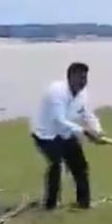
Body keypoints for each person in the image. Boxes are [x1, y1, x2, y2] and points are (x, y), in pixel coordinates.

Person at [30, 62, 105, 210]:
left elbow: (87, 114)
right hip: (45, 134)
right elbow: (59, 120)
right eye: (80, 78)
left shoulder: (83, 94)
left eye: (85, 78)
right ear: (70, 77)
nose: (83, 82)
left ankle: (84, 203)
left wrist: (98, 131)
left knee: (80, 166)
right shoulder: (56, 92)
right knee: (56, 165)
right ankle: (50, 205)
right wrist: (84, 132)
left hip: (65, 133)